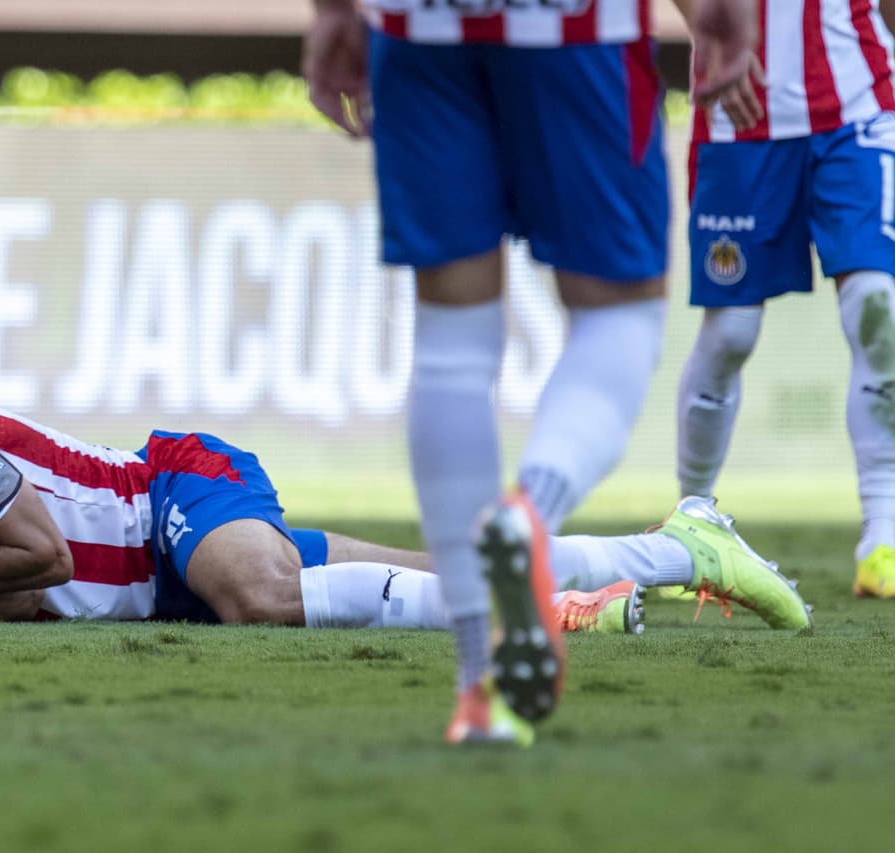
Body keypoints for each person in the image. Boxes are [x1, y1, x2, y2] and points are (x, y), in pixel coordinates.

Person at [302, 0, 769, 745]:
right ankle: (530, 517)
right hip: (575, 26)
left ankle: (479, 684)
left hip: (420, 25)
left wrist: (331, 11)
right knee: (620, 316)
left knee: (451, 343)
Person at [0, 390, 807, 643]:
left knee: (261, 599)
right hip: (164, 578)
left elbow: (40, 552)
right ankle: (683, 545)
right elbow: (24, 598)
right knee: (449, 561)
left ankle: (546, 618)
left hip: (170, 494)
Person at [673, 0, 895, 599]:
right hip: (738, 113)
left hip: (859, 106)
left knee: (878, 307)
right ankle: (689, 522)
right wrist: (710, 28)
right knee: (731, 333)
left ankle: (884, 534)